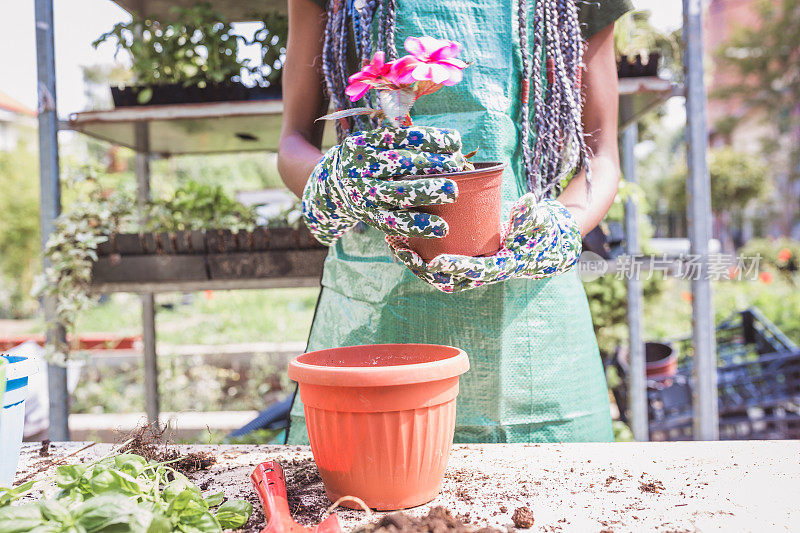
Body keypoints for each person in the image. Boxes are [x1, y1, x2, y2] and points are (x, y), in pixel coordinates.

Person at [279, 0, 632, 444]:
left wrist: (562, 222)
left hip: (531, 322)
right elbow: (292, 140)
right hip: (373, 310)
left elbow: (601, 156)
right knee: (362, 495)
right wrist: (338, 176)